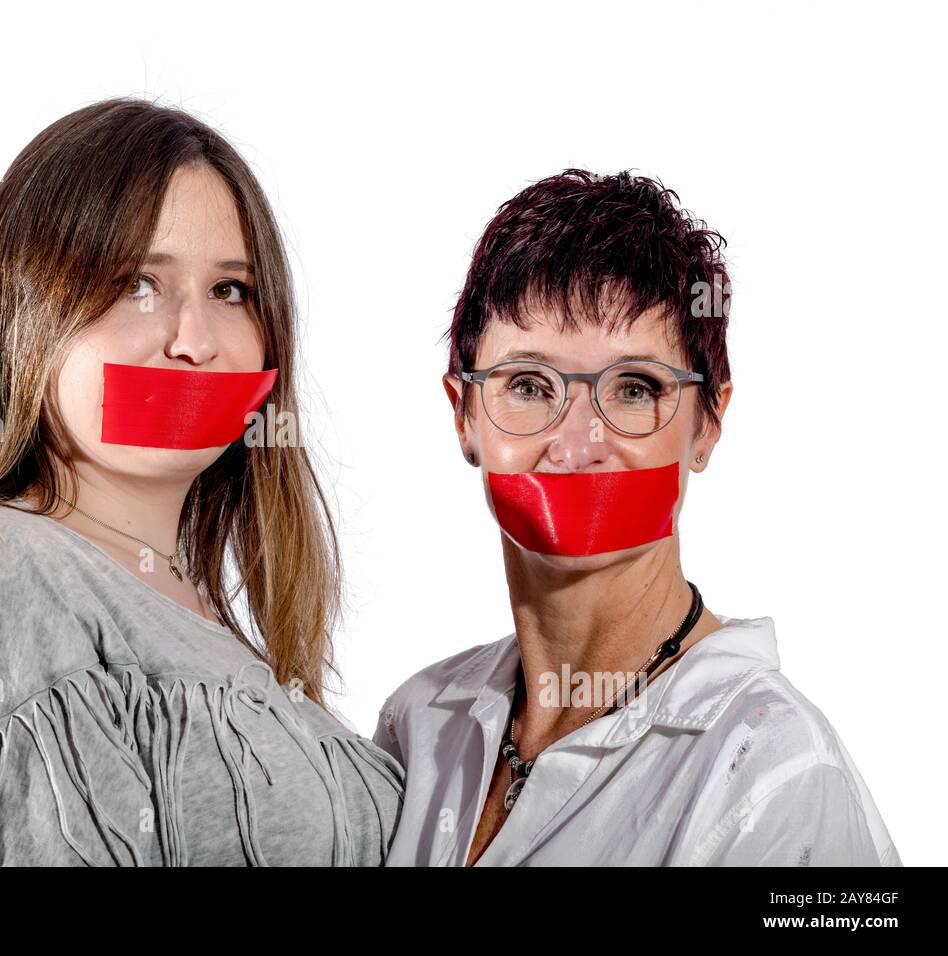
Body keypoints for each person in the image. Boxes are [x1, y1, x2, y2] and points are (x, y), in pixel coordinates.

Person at [0, 98, 404, 866]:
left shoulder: (207, 619)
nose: (194, 342)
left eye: (230, 290)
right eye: (139, 282)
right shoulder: (0, 567)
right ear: (26, 310)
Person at [374, 169, 900, 867]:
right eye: (529, 385)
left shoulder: (776, 774)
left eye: (634, 389)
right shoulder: (419, 723)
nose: (576, 444)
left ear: (708, 425)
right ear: (463, 415)